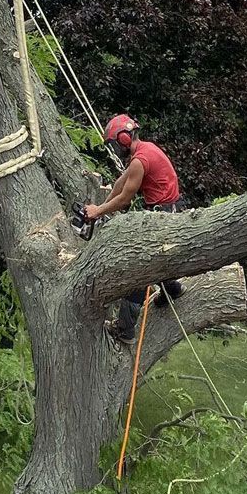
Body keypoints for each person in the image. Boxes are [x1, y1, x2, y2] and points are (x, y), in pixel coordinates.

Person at [84, 114, 185, 345]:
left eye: (113, 144)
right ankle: (172, 289)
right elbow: (121, 183)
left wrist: (96, 213)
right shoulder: (144, 150)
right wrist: (101, 208)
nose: (114, 149)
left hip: (163, 216)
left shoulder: (140, 160)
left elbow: (124, 200)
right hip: (167, 211)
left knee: (138, 268)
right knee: (159, 259)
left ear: (123, 139)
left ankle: (125, 331)